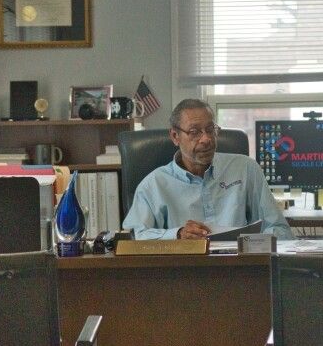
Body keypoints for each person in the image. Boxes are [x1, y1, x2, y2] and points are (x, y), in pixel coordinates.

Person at [122, 99, 293, 240]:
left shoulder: (246, 169)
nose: (206, 139)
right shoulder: (154, 185)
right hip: (183, 273)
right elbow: (134, 236)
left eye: (210, 130)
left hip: (240, 268)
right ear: (175, 136)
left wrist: (255, 244)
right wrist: (178, 234)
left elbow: (279, 229)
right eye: (195, 132)